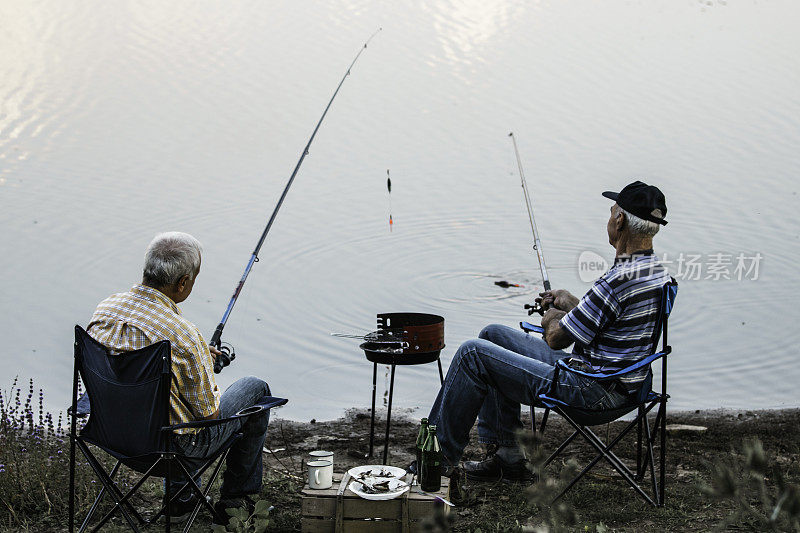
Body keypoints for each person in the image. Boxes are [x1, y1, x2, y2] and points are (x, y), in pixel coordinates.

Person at [427, 181, 671, 482]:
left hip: (591, 390)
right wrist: (572, 303)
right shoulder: (655, 272)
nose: (609, 219)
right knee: (491, 335)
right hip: (624, 383)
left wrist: (552, 317)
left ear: (620, 220)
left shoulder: (617, 280)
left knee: (472, 353)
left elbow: (555, 339)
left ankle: (433, 465)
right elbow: (611, 320)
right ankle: (508, 458)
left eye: (611, 212)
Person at [87, 231, 273, 521]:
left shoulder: (106, 309)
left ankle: (181, 500)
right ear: (183, 282)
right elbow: (209, 416)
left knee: (170, 400)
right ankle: (236, 504)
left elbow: (134, 369)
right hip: (169, 451)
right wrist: (199, 360)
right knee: (255, 388)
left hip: (111, 436)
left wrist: (196, 359)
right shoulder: (184, 335)